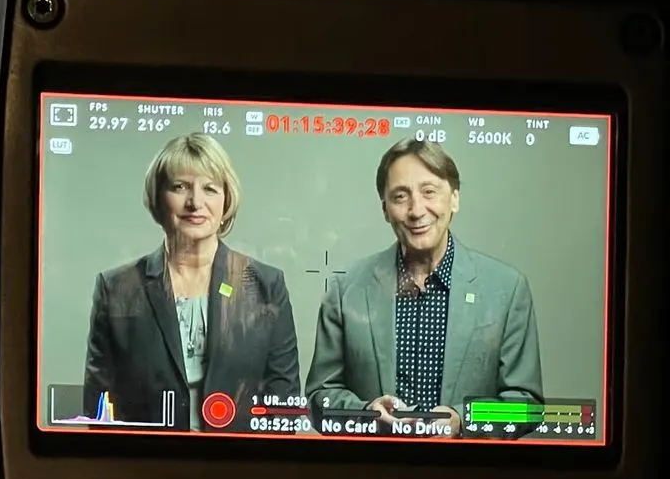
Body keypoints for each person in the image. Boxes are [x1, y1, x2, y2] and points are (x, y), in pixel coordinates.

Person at [305, 138, 543, 435]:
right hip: (372, 474)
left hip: (468, 476)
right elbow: (319, 398)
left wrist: (463, 419)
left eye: (429, 192)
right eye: (400, 196)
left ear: (454, 198)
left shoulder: (506, 290)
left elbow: (526, 405)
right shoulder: (347, 290)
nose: (417, 210)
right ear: (385, 210)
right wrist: (365, 414)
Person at [82, 131, 300, 430]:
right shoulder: (117, 288)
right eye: (180, 187)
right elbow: (101, 410)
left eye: (209, 188)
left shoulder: (266, 285)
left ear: (226, 201)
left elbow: (283, 403)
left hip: (245, 467)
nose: (195, 202)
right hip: (144, 466)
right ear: (158, 198)